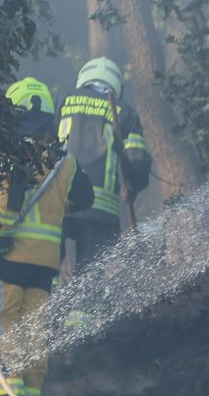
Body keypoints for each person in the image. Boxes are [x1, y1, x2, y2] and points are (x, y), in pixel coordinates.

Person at [0, 77, 92, 396]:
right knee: (34, 328)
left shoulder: (14, 152)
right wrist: (58, 207)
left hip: (10, 256)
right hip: (46, 263)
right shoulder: (64, 160)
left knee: (6, 322)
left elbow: (11, 194)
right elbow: (86, 196)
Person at [56, 56, 150, 273]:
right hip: (100, 213)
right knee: (89, 281)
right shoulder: (123, 113)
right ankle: (80, 308)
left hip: (57, 205)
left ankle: (47, 306)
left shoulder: (61, 101)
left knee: (47, 270)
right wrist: (133, 186)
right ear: (116, 85)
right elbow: (138, 164)